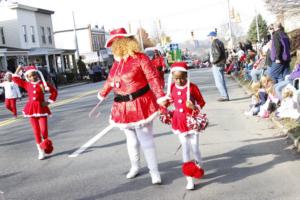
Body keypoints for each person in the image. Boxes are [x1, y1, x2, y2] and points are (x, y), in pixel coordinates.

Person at [96, 28, 167, 184]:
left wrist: (160, 96)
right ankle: (135, 166)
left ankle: (154, 172)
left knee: (146, 139)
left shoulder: (141, 58)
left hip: (141, 104)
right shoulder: (116, 63)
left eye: (115, 44)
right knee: (131, 140)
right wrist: (102, 93)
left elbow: (153, 78)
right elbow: (110, 80)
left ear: (122, 43)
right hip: (122, 106)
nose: (113, 47)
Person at [163, 62, 206, 190]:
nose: (179, 81)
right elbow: (169, 100)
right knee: (185, 149)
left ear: (187, 75)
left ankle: (199, 167)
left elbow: (202, 102)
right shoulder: (171, 87)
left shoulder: (192, 87)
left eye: (182, 77)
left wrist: (194, 107)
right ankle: (189, 179)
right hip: (179, 121)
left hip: (191, 122)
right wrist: (164, 105)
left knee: (195, 149)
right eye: (176, 78)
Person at [13, 65, 58, 160]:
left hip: (41, 109)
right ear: (27, 77)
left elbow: (54, 92)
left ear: (37, 75)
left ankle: (46, 145)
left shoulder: (43, 84)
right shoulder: (26, 84)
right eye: (30, 76)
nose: (32, 77)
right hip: (31, 110)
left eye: (34, 75)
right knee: (36, 132)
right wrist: (18, 68)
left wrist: (49, 102)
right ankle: (40, 151)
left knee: (44, 131)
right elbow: (15, 78)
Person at [208, 31, 230, 101]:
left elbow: (217, 54)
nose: (209, 38)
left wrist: (213, 62)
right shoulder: (220, 42)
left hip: (217, 64)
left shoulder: (214, 43)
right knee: (221, 81)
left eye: (209, 36)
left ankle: (224, 96)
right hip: (221, 64)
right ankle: (225, 95)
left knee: (219, 82)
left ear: (212, 36)